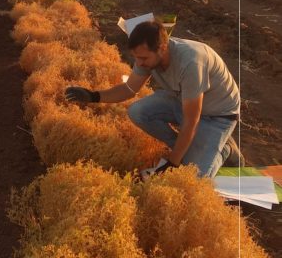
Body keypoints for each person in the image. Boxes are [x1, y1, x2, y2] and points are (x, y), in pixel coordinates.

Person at [65, 20, 243, 178]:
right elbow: (128, 88)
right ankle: (189, 148)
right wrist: (93, 96)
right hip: (182, 99)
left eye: (143, 58)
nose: (139, 63)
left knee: (194, 176)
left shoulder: (191, 63)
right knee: (137, 111)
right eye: (136, 57)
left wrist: (172, 164)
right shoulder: (147, 57)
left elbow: (191, 121)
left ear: (162, 48)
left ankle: (225, 149)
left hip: (217, 115)